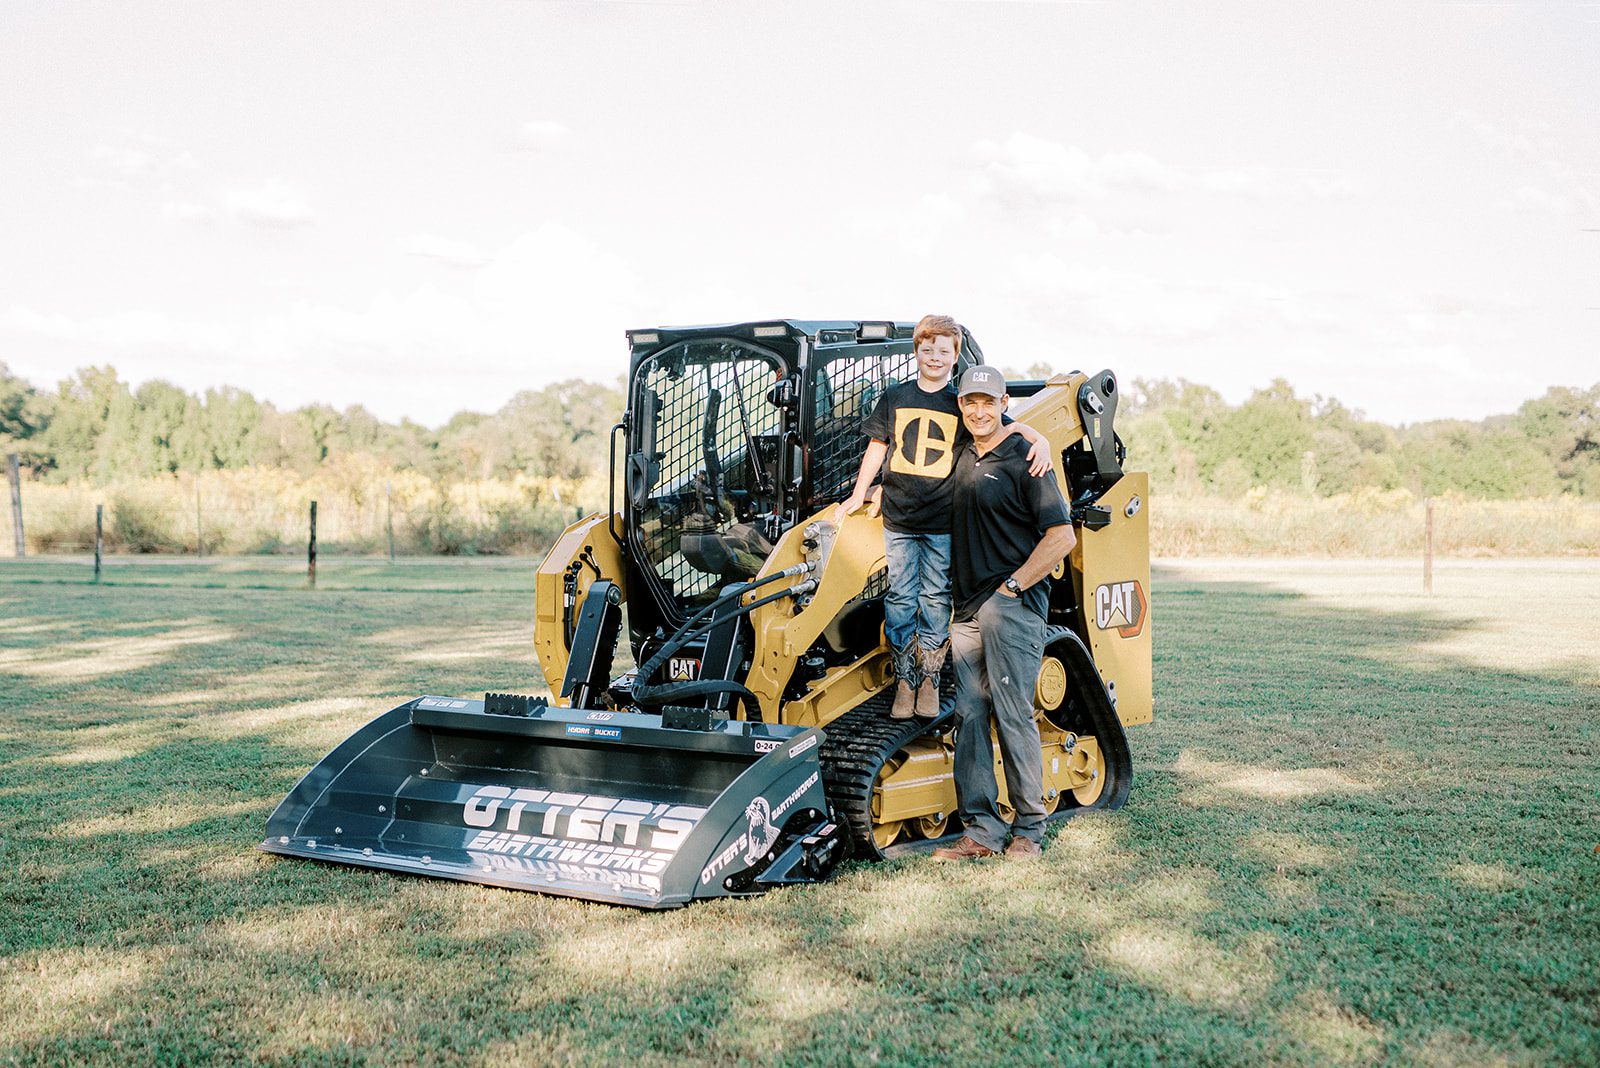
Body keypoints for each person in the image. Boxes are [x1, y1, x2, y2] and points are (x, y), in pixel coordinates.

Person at [835, 316, 1049, 720]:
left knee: (934, 599)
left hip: (940, 521)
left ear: (955, 358)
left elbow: (1008, 428)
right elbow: (879, 447)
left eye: (944, 351)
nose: (935, 357)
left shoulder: (958, 403)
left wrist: (1043, 441)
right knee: (900, 598)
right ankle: (905, 679)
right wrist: (860, 493)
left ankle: (929, 678)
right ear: (916, 352)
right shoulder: (895, 397)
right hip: (899, 519)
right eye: (927, 349)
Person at [932, 365, 1076, 861]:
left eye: (988, 403)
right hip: (967, 609)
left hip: (1011, 606)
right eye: (970, 402)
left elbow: (1062, 537)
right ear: (961, 406)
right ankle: (982, 833)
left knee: (1014, 713)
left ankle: (1030, 831)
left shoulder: (1027, 459)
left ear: (1002, 405)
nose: (978, 410)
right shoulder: (960, 456)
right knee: (969, 716)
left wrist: (1013, 587)